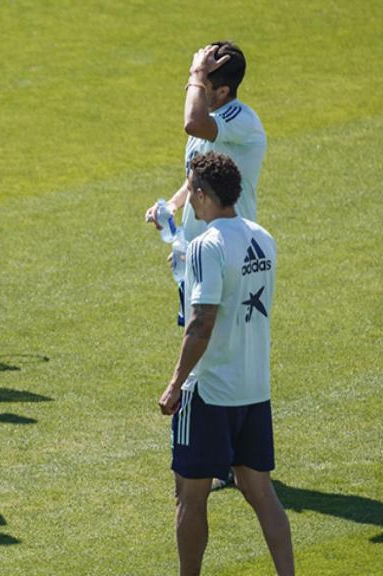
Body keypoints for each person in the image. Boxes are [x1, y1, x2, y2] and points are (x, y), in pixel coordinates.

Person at [157, 152, 293, 576]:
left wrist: (176, 383)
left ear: (200, 193)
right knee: (261, 492)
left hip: (211, 390)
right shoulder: (263, 237)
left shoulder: (206, 244)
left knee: (189, 496)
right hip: (254, 387)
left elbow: (201, 322)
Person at [146, 41, 267, 490]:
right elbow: (198, 169)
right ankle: (231, 460)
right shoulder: (217, 124)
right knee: (204, 341)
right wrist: (173, 206)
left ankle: (218, 460)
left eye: (202, 84)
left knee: (209, 345)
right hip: (200, 248)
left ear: (221, 91)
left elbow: (190, 122)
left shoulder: (238, 121)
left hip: (230, 249)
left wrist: (195, 73)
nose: (194, 88)